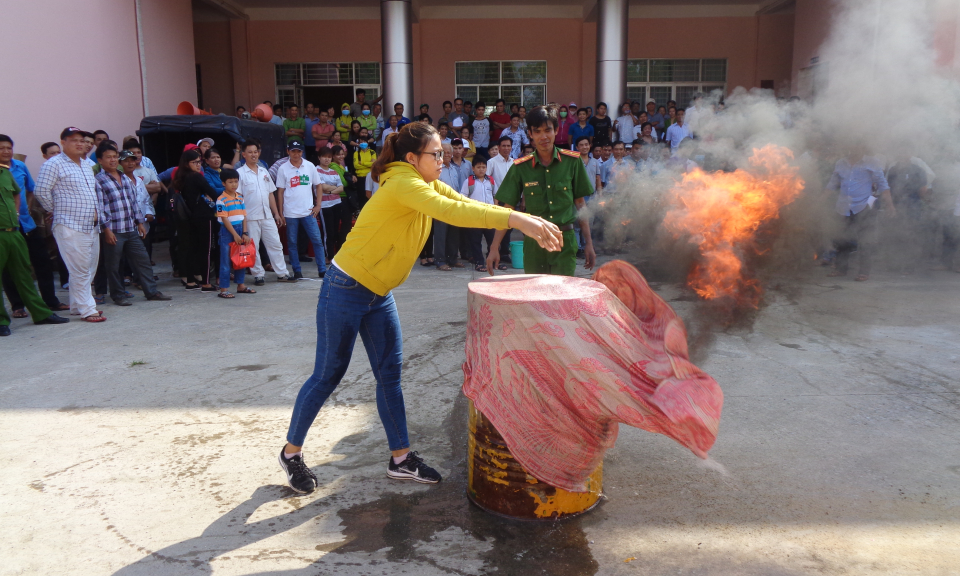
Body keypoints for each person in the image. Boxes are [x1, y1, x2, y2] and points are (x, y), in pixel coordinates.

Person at [276, 121, 563, 493]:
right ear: (413, 158)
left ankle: (401, 459)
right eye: (436, 154)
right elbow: (452, 211)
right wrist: (516, 219)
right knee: (328, 374)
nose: (443, 160)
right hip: (345, 287)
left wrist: (523, 217)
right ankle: (291, 453)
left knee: (389, 376)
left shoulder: (424, 183)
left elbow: (467, 203)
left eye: (443, 153)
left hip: (378, 294)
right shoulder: (403, 184)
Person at [487, 105, 596, 276]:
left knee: (562, 296)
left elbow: (581, 205)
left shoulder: (572, 162)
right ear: (530, 134)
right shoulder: (520, 167)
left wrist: (588, 243)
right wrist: (494, 247)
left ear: (556, 130)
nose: (543, 136)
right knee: (535, 297)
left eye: (548, 130)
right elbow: (507, 209)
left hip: (564, 242)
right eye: (537, 131)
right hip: (534, 245)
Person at [35, 127, 106, 322]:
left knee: (89, 267)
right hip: (69, 224)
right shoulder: (54, 164)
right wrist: (56, 210)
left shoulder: (86, 164)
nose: (80, 143)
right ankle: (88, 309)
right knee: (80, 268)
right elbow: (41, 191)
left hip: (91, 224)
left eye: (82, 140)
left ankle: (77, 305)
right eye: (74, 140)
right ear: (63, 142)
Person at [0, 149, 70, 336]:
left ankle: (41, 313)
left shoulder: (5, 172)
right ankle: (1, 321)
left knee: (24, 274)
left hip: (14, 231)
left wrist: (15, 214)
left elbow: (17, 193)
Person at [94, 146, 170, 306]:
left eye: (115, 156)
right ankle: (118, 295)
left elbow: (133, 203)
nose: (113, 160)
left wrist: (139, 223)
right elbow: (100, 208)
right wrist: (106, 230)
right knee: (114, 265)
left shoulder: (127, 178)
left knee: (142, 260)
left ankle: (151, 291)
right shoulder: (99, 181)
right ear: (100, 160)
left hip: (131, 228)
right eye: (109, 157)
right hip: (113, 230)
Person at [827, 145, 893, 282]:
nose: (855, 149)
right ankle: (840, 268)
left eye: (859, 146)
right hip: (843, 207)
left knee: (866, 240)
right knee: (841, 239)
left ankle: (864, 272)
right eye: (852, 146)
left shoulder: (872, 162)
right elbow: (832, 185)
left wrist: (890, 205)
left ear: (863, 148)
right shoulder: (840, 163)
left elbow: (882, 185)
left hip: (864, 206)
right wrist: (819, 201)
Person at [237, 140, 293, 285]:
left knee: (275, 244)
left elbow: (270, 194)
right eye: (250, 152)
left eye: (255, 152)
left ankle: (282, 273)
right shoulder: (240, 174)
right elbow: (238, 199)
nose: (253, 155)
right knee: (253, 247)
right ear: (243, 154)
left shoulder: (263, 171)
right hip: (250, 217)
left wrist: (276, 214)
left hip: (267, 215)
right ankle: (258, 274)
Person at [276, 141, 327, 280]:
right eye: (293, 151)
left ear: (302, 152)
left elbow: (318, 185)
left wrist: (318, 205)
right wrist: (281, 213)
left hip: (308, 211)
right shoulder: (283, 168)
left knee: (317, 240)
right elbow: (280, 192)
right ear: (288, 151)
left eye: (298, 151)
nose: (296, 154)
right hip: (290, 212)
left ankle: (322, 270)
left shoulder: (309, 166)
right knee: (292, 243)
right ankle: (297, 271)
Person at [172, 149, 219, 291]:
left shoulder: (181, 177)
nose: (199, 165)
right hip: (204, 216)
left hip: (189, 217)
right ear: (187, 163)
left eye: (200, 162)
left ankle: (191, 281)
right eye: (195, 162)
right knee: (206, 250)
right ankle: (206, 282)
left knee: (192, 249)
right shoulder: (196, 177)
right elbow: (212, 192)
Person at [214, 167, 254, 299]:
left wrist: (245, 232)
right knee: (225, 261)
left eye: (236, 182)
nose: (234, 185)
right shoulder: (221, 199)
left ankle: (240, 285)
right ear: (223, 183)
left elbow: (244, 216)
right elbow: (224, 218)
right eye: (230, 182)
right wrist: (235, 235)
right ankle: (224, 289)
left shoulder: (240, 197)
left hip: (240, 230)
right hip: (227, 231)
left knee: (241, 259)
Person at [884, 154, 928, 274]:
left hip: (913, 207)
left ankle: (908, 265)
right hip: (896, 207)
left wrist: (924, 202)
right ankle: (896, 264)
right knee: (897, 236)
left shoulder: (918, 170)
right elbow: (886, 188)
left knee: (910, 236)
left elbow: (923, 189)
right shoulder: (893, 170)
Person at [460, 156, 501, 272]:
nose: (481, 170)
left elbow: (495, 195)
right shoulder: (469, 181)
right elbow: (463, 197)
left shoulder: (491, 180)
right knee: (475, 241)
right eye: (478, 167)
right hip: (475, 216)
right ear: (473, 168)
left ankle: (492, 261)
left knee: (491, 239)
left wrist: (496, 207)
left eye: (483, 167)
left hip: (489, 215)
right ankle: (479, 262)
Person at [316, 147, 345, 261]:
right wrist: (334, 188)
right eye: (324, 157)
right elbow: (322, 187)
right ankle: (328, 256)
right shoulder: (316, 170)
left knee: (334, 230)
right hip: (324, 205)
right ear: (319, 158)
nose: (327, 159)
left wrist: (330, 191)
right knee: (328, 232)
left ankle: (334, 255)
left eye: (329, 157)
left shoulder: (334, 171)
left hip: (336, 203)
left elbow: (341, 188)